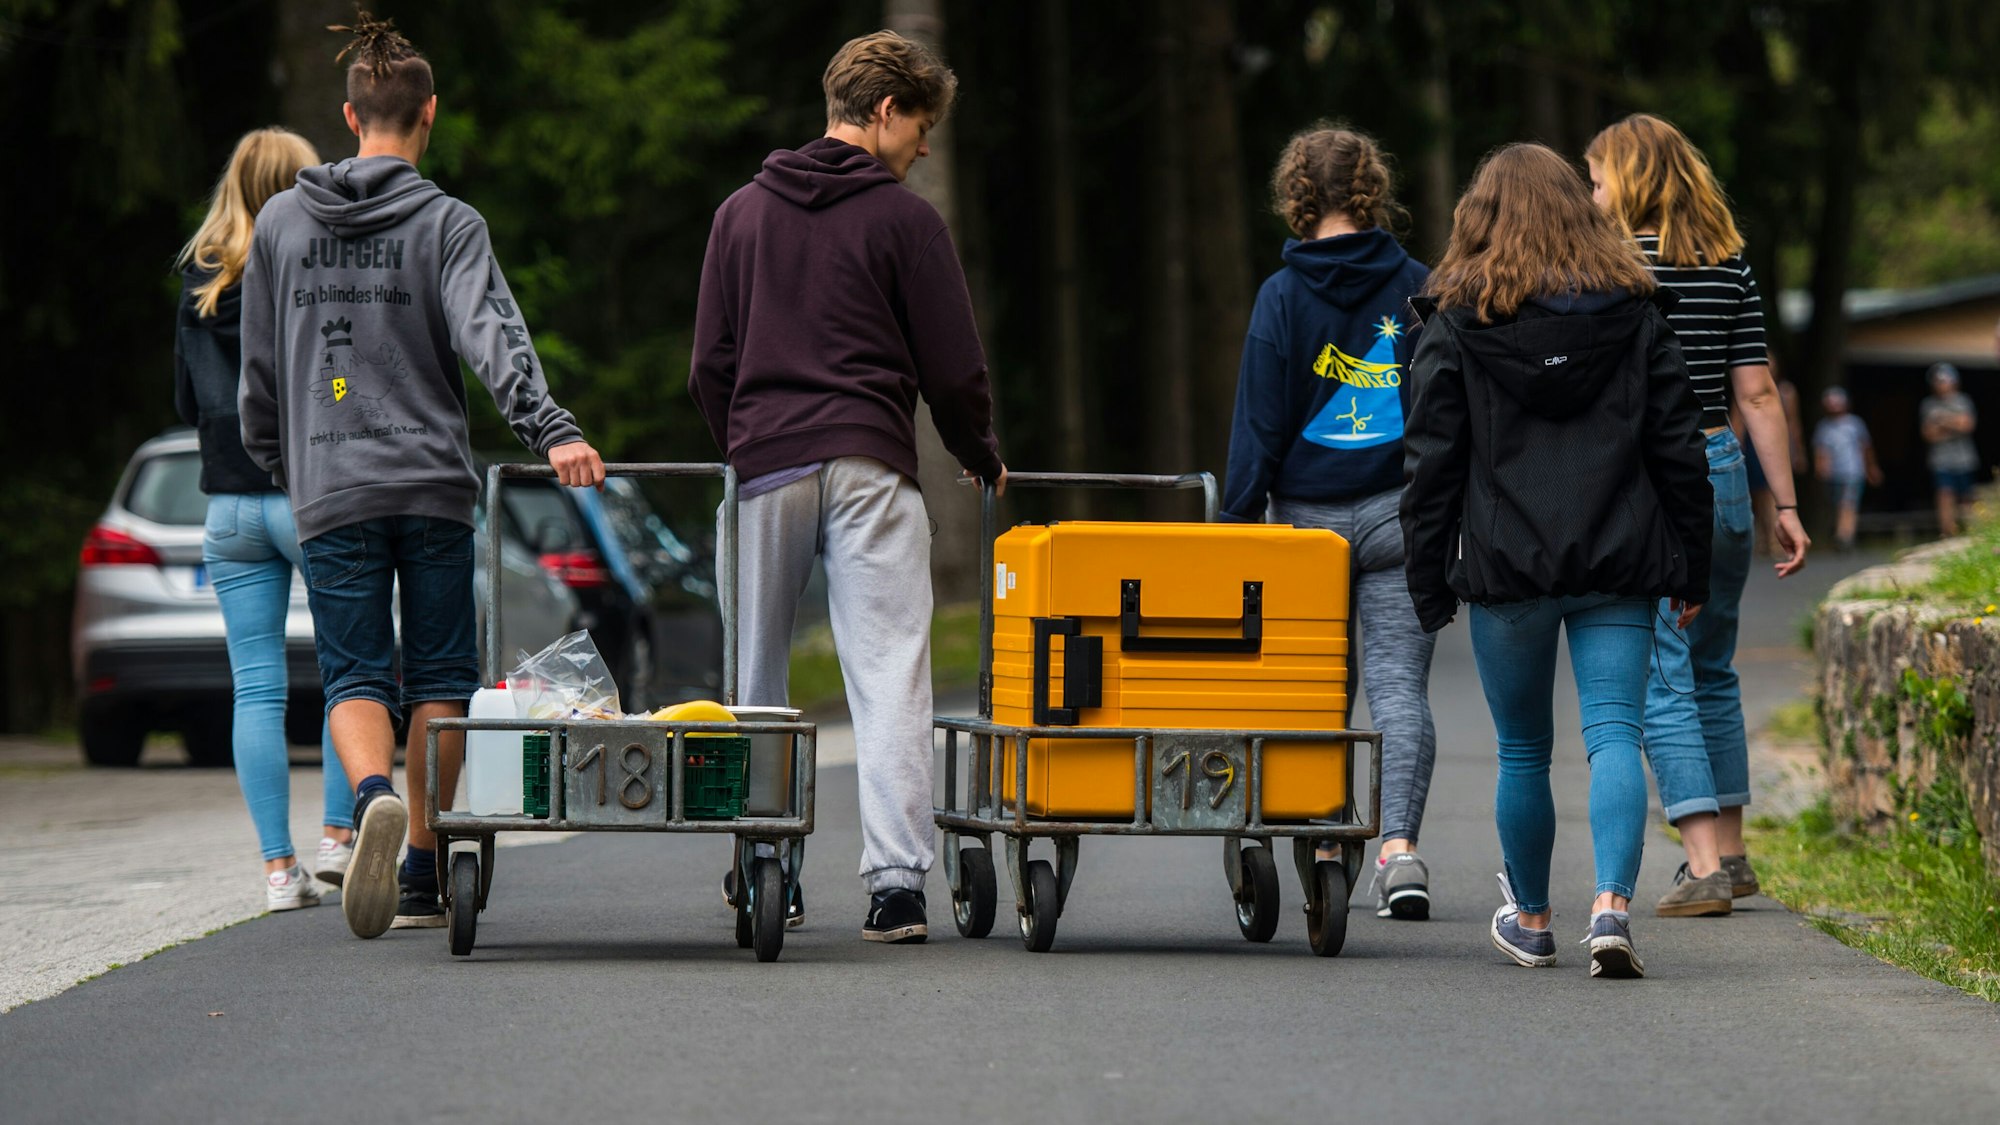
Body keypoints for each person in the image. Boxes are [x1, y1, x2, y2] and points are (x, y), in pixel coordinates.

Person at [239, 12, 606, 939]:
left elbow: (260, 368)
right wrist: (552, 430)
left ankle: (370, 795)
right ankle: (419, 871)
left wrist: (283, 461)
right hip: (433, 481)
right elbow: (494, 339)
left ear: (349, 116)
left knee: (353, 671)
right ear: (429, 113)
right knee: (439, 672)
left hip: (332, 480)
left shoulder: (280, 223)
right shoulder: (448, 223)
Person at [690, 29, 1004, 945]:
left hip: (766, 465)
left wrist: (748, 444)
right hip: (871, 464)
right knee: (890, 671)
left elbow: (710, 364)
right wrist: (978, 449)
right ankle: (897, 887)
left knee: (756, 676)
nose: (925, 147)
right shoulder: (907, 222)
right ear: (885, 111)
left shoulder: (740, 214)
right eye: (921, 126)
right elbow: (953, 367)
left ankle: (764, 865)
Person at [1403, 143, 1713, 978]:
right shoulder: (1637, 314)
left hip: (1508, 565)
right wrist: (1692, 565)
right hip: (1619, 558)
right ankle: (1611, 908)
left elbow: (1431, 464)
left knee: (1522, 750)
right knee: (1615, 734)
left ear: (1480, 217)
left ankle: (1534, 920)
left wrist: (1428, 581)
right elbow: (1679, 447)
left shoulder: (1455, 322)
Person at [1586, 112, 1810, 917]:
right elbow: (1758, 392)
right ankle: (1736, 853)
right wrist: (1785, 502)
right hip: (1722, 467)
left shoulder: (1609, 266)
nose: (1590, 194)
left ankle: (1703, 864)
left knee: (1660, 671)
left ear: (1630, 179)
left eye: (1597, 178)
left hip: (1649, 477)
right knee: (1714, 665)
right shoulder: (1728, 261)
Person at [1221, 123, 1438, 920]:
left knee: (1314, 691)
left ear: (1298, 196)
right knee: (1399, 689)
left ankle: (1319, 837)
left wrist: (1236, 519)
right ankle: (1399, 852)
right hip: (1398, 516)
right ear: (1372, 189)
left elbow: (1260, 425)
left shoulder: (1281, 297)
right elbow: (1440, 410)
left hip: (1303, 530)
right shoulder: (1418, 285)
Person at [175, 127, 354, 912]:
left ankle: (280, 873)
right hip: (307, 495)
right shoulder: (311, 266)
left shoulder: (199, 277)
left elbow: (186, 399)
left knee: (255, 688)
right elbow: (338, 382)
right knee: (352, 669)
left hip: (228, 508)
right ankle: (340, 838)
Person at [1740, 366, 1805, 558]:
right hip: (1752, 445)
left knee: (1772, 493)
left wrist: (1797, 450)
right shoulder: (1744, 385)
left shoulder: (1786, 391)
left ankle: (1774, 541)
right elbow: (1738, 420)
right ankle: (1763, 538)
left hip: (1778, 443)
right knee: (1757, 494)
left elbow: (1793, 422)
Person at [1813, 387, 1880, 551]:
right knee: (1838, 504)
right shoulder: (1824, 427)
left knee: (1848, 503)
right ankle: (1842, 533)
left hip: (1853, 470)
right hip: (1833, 473)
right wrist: (1820, 466)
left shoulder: (1855, 424)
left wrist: (1871, 467)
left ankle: (1844, 536)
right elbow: (1820, 450)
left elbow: (1865, 447)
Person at [1919, 362, 1978, 536]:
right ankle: (1947, 532)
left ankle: (1968, 532)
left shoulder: (1963, 400)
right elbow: (1929, 434)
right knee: (1944, 494)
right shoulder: (1928, 404)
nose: (1941, 385)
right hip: (1940, 459)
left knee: (1966, 496)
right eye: (1938, 381)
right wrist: (1954, 423)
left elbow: (1967, 425)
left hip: (1964, 458)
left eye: (1945, 380)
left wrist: (1942, 422)